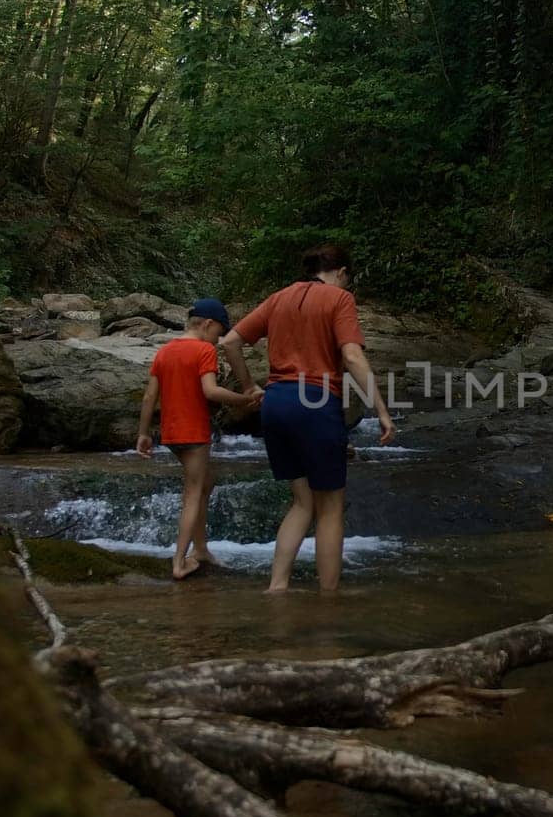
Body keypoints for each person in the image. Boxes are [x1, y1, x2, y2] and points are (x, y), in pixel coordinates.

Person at [220, 244, 395, 592]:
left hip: (276, 402)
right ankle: (328, 597)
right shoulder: (338, 299)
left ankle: (277, 586)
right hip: (314, 401)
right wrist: (382, 411)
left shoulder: (279, 298)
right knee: (330, 507)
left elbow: (230, 342)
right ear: (341, 272)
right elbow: (352, 356)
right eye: (348, 280)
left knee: (302, 502)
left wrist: (249, 386)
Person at [135, 298, 258, 580]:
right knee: (193, 492)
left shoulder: (165, 351)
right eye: (218, 334)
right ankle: (179, 562)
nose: (217, 341)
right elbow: (211, 392)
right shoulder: (203, 350)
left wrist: (143, 433)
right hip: (194, 432)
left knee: (205, 482)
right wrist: (243, 400)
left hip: (172, 434)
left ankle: (201, 549)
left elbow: (149, 396)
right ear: (207, 324)